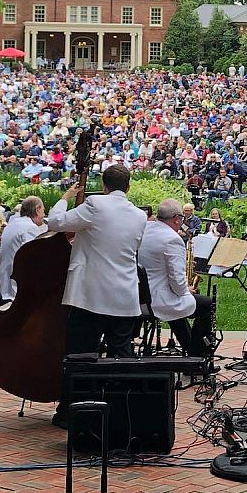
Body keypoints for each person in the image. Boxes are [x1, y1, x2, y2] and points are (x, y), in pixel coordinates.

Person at [47, 165, 147, 428]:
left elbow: (56, 223)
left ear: (103, 186)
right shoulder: (139, 215)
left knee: (78, 355)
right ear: (128, 187)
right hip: (124, 297)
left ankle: (70, 411)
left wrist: (65, 198)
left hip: (90, 296)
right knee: (121, 358)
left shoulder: (95, 204)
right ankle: (124, 411)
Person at [138, 199, 215, 359]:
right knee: (206, 304)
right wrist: (187, 290)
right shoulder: (172, 239)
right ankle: (198, 354)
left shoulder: (145, 229)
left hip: (140, 295)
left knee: (179, 305)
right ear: (177, 218)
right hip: (158, 299)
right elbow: (177, 282)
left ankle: (191, 352)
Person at [0, 195, 47, 299]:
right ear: (37, 209)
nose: (44, 215)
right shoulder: (30, 227)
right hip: (15, 285)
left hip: (3, 279)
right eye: (43, 211)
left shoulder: (13, 223)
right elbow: (32, 258)